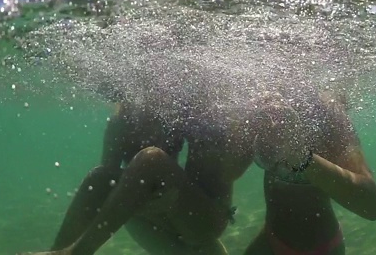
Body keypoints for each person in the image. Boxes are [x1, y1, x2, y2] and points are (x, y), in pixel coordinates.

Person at [22, 101, 253, 255]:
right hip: (155, 224)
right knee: (100, 177)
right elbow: (105, 190)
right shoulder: (121, 121)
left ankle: (77, 252)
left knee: (151, 159)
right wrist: (145, 202)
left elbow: (226, 172)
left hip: (200, 225)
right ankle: (59, 249)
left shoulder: (194, 110)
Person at [243, 91, 376, 255]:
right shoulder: (266, 101)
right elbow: (225, 173)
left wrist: (300, 155)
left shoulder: (329, 111)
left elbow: (372, 205)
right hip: (269, 239)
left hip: (321, 248)